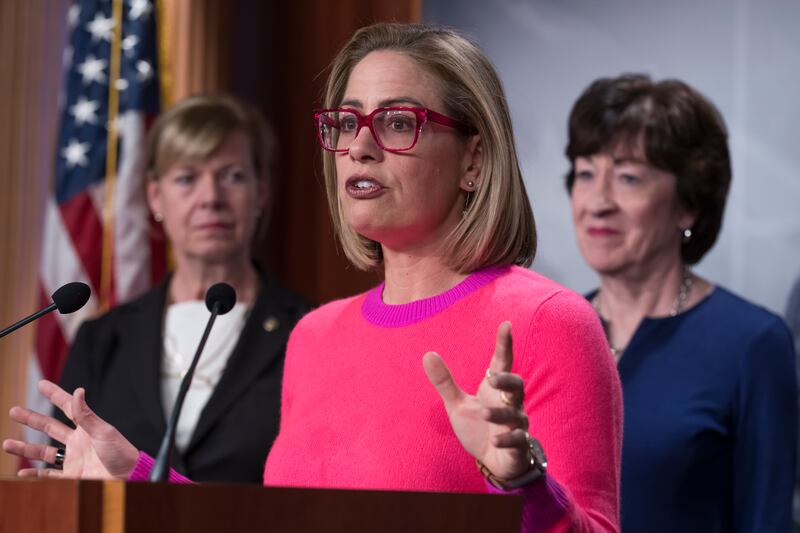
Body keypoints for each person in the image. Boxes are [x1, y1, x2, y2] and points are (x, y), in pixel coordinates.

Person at [5, 24, 622, 532]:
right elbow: (278, 522)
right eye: (347, 123)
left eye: (398, 122)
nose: (360, 147)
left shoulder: (547, 322)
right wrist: (136, 477)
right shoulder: (315, 335)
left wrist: (522, 483)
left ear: (474, 158)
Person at [565, 73, 797, 532]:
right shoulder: (550, 327)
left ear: (688, 205)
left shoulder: (753, 344)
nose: (597, 201)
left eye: (628, 177)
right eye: (585, 173)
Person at [53, 95, 311, 483]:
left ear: (261, 192)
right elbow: (62, 473)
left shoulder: (310, 333)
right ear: (156, 196)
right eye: (187, 178)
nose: (211, 198)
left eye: (233, 176)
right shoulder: (102, 341)